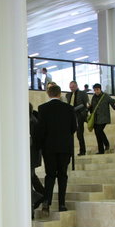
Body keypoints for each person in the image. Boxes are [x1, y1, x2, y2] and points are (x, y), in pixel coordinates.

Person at [37, 84, 76, 215]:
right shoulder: (69, 108)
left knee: (50, 175)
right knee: (63, 175)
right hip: (65, 147)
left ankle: (47, 203)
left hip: (49, 148)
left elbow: (41, 130)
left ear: (48, 94)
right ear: (60, 94)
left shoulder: (42, 108)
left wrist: (40, 145)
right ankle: (62, 204)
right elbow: (73, 128)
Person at [89, 84, 115, 154]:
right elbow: (92, 108)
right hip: (96, 119)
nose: (96, 91)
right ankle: (101, 150)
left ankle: (106, 143)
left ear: (100, 89)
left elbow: (112, 101)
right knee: (97, 133)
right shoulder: (93, 97)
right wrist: (89, 107)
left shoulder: (105, 96)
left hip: (104, 117)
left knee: (99, 131)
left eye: (97, 89)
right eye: (95, 90)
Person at [29, 103, 45, 214]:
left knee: (28, 178)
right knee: (32, 177)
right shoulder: (33, 119)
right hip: (33, 155)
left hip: (30, 155)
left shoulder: (30, 121)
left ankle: (38, 196)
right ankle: (43, 195)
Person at [66, 81, 89, 156]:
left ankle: (82, 150)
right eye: (70, 87)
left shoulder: (82, 93)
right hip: (71, 116)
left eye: (72, 87)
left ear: (76, 86)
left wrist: (84, 113)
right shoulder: (68, 95)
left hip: (80, 115)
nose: (71, 88)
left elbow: (87, 104)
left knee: (79, 134)